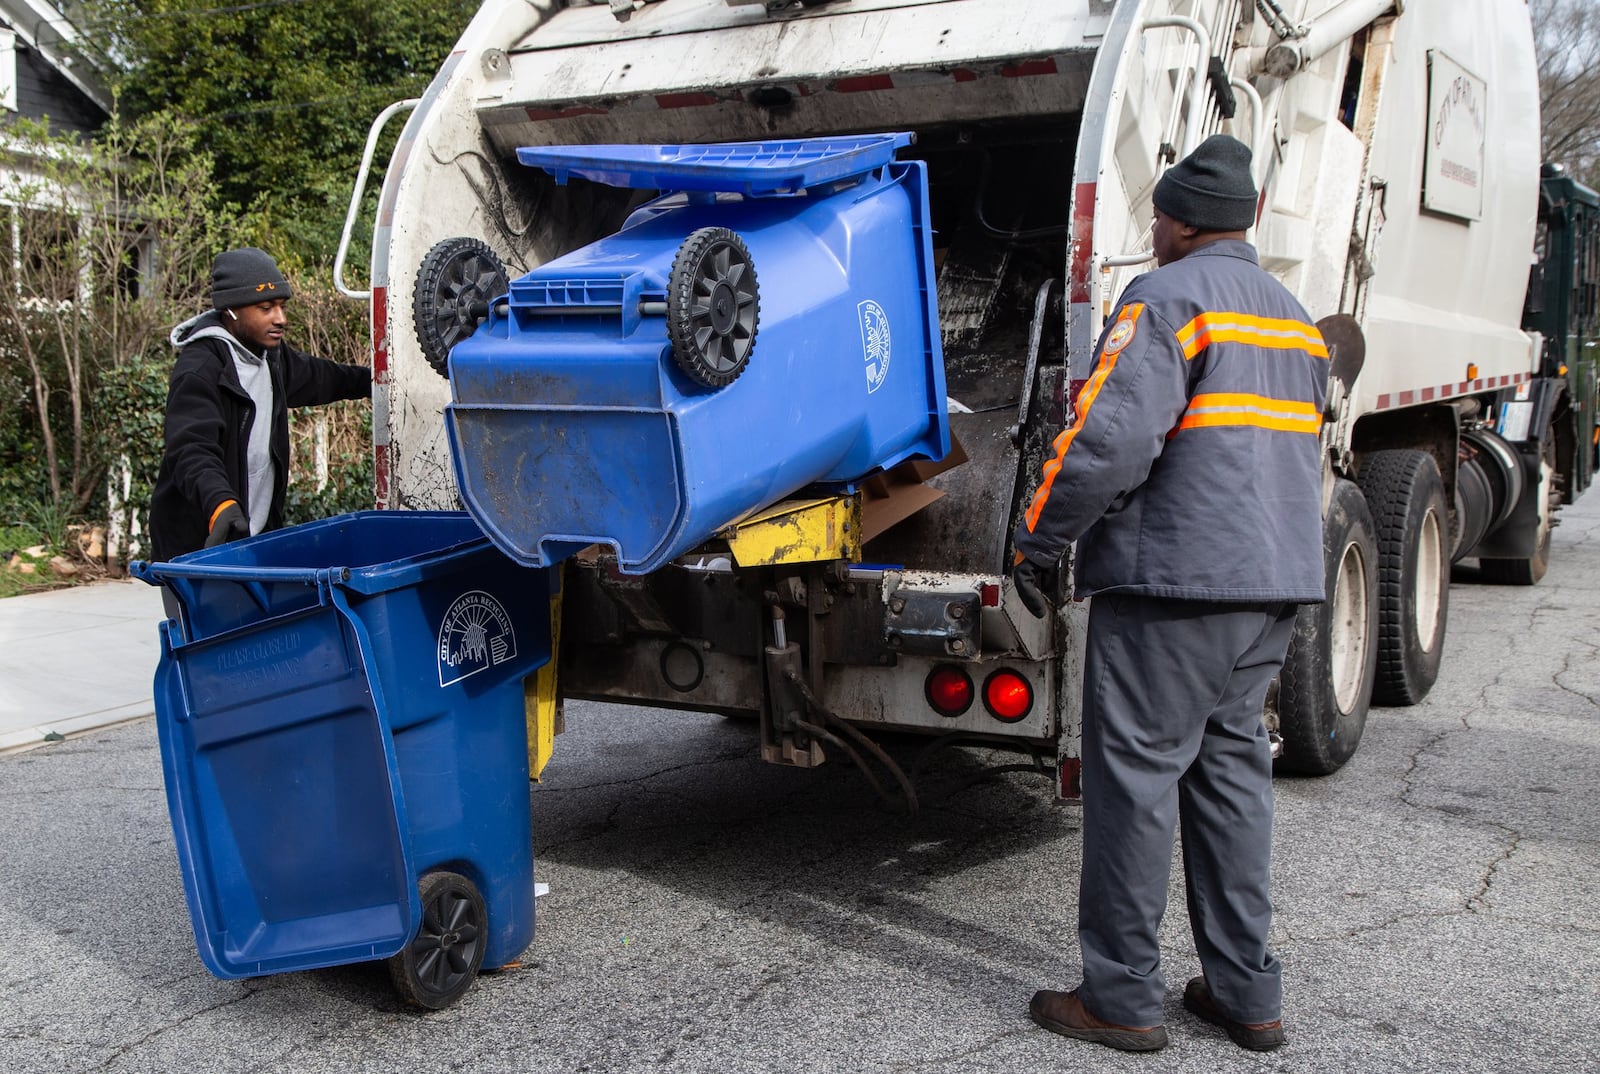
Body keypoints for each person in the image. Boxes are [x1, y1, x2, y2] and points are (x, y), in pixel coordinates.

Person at [1010, 135, 1327, 1053]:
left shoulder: (1167, 299)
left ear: (1186, 221)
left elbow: (1107, 441)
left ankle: (1119, 997)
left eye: (1157, 212)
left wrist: (1040, 536)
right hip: (1271, 588)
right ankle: (1246, 993)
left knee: (1136, 783)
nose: (1150, 226)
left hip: (1175, 583)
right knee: (1232, 780)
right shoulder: (1294, 318)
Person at [148, 247, 372, 570]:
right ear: (232, 310)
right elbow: (191, 450)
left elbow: (324, 377)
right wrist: (220, 504)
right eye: (266, 308)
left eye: (281, 306)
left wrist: (377, 382)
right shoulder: (201, 369)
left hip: (252, 539)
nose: (280, 318)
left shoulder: (273, 359)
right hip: (198, 547)